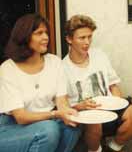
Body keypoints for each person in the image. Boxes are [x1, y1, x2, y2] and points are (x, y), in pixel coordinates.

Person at [63, 14, 132, 152]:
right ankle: (95, 150)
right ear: (69, 39)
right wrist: (80, 106)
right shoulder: (62, 68)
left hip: (109, 109)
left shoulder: (99, 55)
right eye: (82, 38)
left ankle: (114, 147)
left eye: (89, 37)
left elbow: (113, 85)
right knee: (94, 121)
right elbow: (63, 105)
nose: (87, 42)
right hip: (85, 116)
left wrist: (117, 102)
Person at [0, 13, 81, 152]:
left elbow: (61, 102)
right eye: (39, 33)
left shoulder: (55, 62)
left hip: (48, 122)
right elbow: (20, 117)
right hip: (11, 127)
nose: (46, 37)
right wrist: (55, 115)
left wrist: (70, 112)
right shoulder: (8, 68)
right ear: (24, 37)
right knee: (48, 130)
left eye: (46, 33)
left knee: (74, 125)